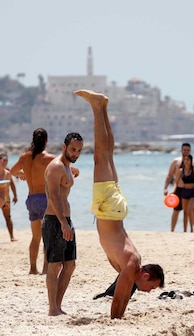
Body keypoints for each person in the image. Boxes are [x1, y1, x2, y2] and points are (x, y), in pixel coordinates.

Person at [76, 89, 165, 319]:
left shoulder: (134, 264)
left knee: (108, 155)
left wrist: (121, 314)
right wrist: (116, 319)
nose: (149, 292)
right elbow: (118, 298)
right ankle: (97, 106)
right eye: (152, 287)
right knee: (100, 155)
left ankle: (103, 106)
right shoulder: (132, 265)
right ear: (146, 276)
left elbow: (125, 295)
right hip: (109, 208)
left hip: (115, 209)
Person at [42, 132, 84, 316]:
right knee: (55, 265)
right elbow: (54, 197)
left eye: (79, 151)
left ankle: (58, 305)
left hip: (66, 220)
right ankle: (53, 308)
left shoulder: (67, 167)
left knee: (70, 264)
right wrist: (62, 224)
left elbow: (65, 183)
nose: (76, 153)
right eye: (73, 149)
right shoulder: (56, 167)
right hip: (54, 220)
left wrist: (74, 172)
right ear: (64, 146)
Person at [11, 129, 55, 274]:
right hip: (44, 199)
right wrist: (74, 170)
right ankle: (45, 269)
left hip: (31, 199)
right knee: (47, 237)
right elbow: (63, 167)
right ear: (46, 141)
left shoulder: (25, 157)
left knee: (35, 237)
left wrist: (20, 174)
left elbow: (11, 171)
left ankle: (32, 268)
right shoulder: (48, 158)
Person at [163, 143, 194, 233]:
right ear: (181, 150)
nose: (186, 151)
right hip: (179, 189)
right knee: (176, 210)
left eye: (187, 150)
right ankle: (172, 230)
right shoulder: (176, 162)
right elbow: (170, 175)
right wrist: (166, 187)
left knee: (193, 211)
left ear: (190, 151)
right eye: (184, 150)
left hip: (191, 190)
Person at [0, 151, 18, 242]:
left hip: (5, 198)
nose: (5, 163)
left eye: (7, 161)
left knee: (7, 217)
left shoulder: (7, 172)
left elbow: (12, 184)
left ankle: (12, 236)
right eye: (4, 160)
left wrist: (15, 195)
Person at [172, 154, 194, 233]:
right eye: (185, 160)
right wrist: (173, 191)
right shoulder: (181, 171)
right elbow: (176, 182)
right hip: (185, 191)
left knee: (190, 210)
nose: (186, 161)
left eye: (188, 160)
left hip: (193, 191)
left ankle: (191, 229)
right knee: (185, 212)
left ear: (191, 161)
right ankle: (185, 231)